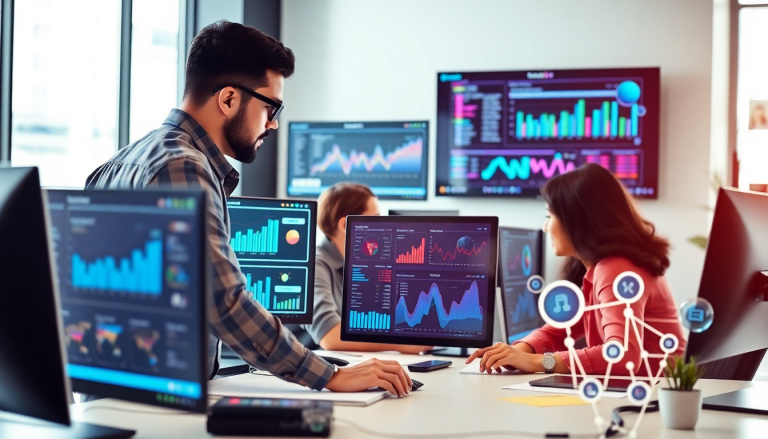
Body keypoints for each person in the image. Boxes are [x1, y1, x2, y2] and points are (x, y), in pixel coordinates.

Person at [85, 21, 412, 397]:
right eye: (271, 107)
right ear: (228, 99)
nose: (273, 124)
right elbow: (223, 301)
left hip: (112, 401)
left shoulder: (117, 163)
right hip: (150, 408)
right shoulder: (183, 167)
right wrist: (330, 376)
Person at [467, 163, 685, 376]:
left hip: (656, 392)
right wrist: (518, 352)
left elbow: (621, 356)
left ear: (578, 220)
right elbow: (562, 328)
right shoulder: (602, 268)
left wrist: (536, 361)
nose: (546, 227)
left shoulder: (615, 269)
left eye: (549, 217)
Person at [300, 183, 431, 354]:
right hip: (314, 366)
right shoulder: (313, 266)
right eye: (375, 219)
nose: (383, 227)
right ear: (345, 225)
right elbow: (330, 336)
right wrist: (401, 343)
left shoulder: (363, 265)